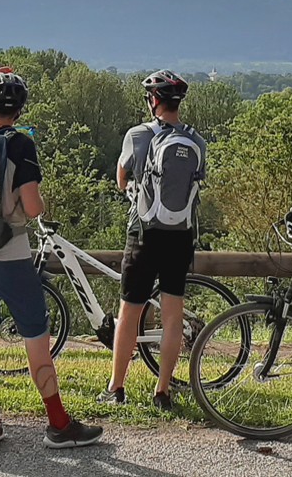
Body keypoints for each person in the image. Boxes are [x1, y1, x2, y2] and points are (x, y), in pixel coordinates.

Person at [0, 65, 103, 451]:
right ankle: (58, 424)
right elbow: (33, 208)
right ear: (20, 110)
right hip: (11, 256)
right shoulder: (20, 145)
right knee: (36, 338)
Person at [99, 70, 207, 412]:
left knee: (129, 313)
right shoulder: (197, 141)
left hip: (144, 234)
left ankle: (116, 387)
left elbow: (120, 179)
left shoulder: (137, 135)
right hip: (180, 236)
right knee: (173, 316)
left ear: (153, 101)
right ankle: (162, 392)